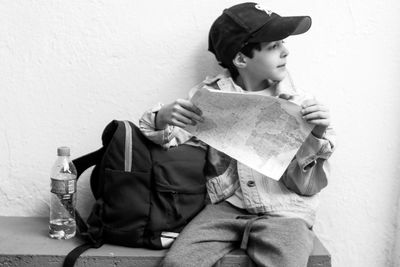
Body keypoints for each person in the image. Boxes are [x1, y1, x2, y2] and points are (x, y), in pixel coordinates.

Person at [139, 2, 336, 267]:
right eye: (273, 46)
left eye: (283, 43)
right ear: (241, 59)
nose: (286, 52)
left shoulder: (302, 104)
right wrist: (160, 117)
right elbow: (170, 137)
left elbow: (313, 181)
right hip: (225, 208)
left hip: (286, 211)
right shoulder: (210, 98)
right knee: (177, 263)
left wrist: (317, 137)